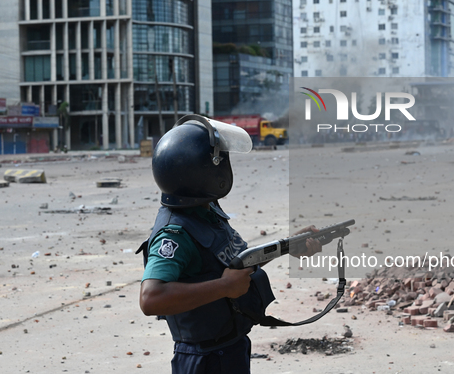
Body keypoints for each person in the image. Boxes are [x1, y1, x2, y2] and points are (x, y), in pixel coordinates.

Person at [137, 115, 321, 374]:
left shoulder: (204, 208)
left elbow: (234, 261)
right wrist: (224, 286)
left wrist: (289, 245)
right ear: (204, 172)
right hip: (204, 358)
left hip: (230, 348)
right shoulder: (174, 233)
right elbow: (151, 298)